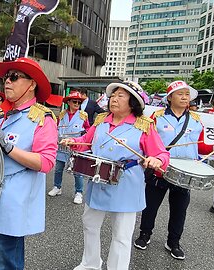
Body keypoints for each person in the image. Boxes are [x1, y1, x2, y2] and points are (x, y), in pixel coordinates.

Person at [61, 80, 170, 270]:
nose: (114, 99)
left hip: (126, 184)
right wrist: (73, 141)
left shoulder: (144, 125)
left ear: (133, 102)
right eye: (113, 95)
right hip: (98, 179)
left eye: (121, 96)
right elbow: (86, 142)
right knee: (90, 224)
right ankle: (90, 263)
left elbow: (162, 153)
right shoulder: (101, 120)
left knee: (121, 235)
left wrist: (156, 161)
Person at [0, 57, 57, 269]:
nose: (7, 82)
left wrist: (9, 148)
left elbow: (46, 162)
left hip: (12, 202)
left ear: (31, 85)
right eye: (6, 77)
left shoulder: (42, 118)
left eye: (14, 77)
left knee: (6, 264)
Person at [134, 80, 211, 260]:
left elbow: (203, 147)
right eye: (180, 94)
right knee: (151, 205)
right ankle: (145, 234)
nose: (185, 97)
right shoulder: (157, 117)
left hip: (185, 173)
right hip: (160, 169)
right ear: (169, 98)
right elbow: (146, 141)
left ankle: (173, 241)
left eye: (187, 94)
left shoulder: (197, 120)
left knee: (180, 209)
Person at [48, 91, 90, 204]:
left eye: (79, 102)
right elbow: (56, 128)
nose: (77, 103)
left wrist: (83, 138)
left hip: (75, 147)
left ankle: (79, 192)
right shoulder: (61, 114)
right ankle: (57, 187)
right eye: (75, 101)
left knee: (77, 172)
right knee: (58, 169)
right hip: (61, 146)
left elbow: (88, 130)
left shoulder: (83, 115)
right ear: (69, 102)